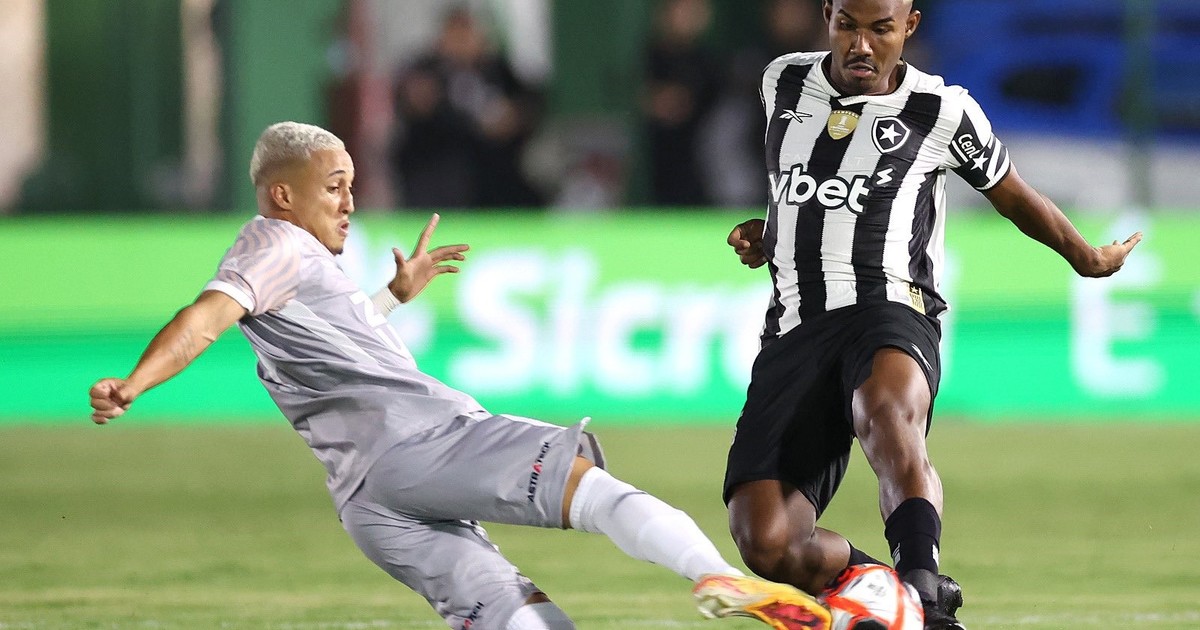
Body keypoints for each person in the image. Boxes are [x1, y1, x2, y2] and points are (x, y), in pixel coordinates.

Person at [87, 121, 829, 630]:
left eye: (351, 185)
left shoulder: (294, 274)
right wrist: (136, 382)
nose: (350, 202)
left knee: (515, 613)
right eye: (334, 186)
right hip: (422, 443)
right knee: (595, 491)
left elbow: (339, 344)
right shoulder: (275, 244)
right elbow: (204, 317)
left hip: (368, 504)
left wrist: (390, 296)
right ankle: (718, 576)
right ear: (283, 195)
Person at [715, 1, 1143, 629]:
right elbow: (801, 187)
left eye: (881, 29)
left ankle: (923, 590)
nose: (862, 44)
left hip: (890, 306)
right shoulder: (782, 80)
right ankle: (885, 587)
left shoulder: (941, 110)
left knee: (887, 414)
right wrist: (771, 234)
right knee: (767, 541)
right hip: (796, 325)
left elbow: (1013, 195)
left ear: (909, 27)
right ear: (828, 15)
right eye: (848, 25)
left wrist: (1086, 256)